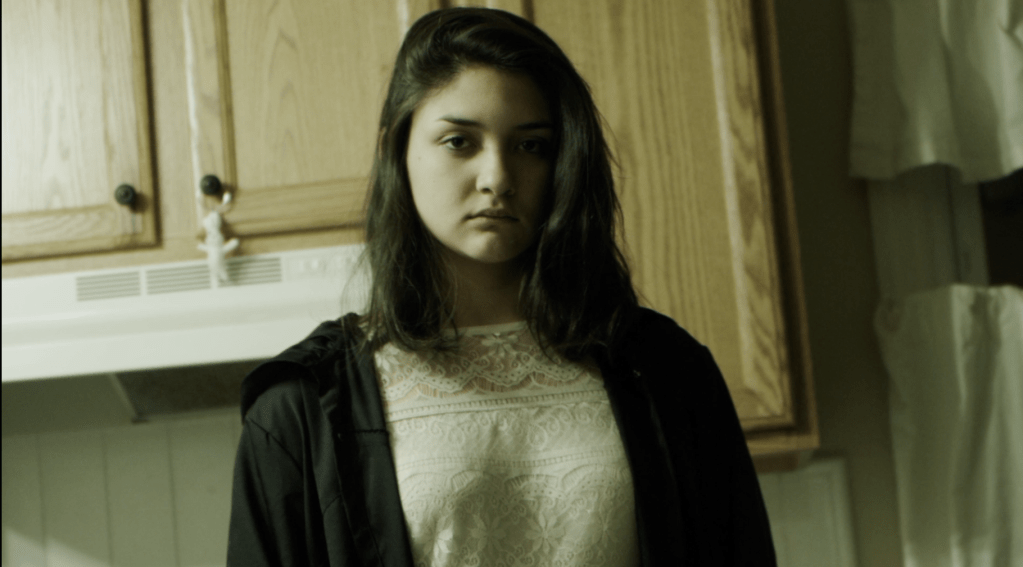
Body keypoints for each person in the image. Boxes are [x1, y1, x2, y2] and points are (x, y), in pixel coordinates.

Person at [227, 7, 776, 567]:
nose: (498, 178)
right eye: (459, 142)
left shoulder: (670, 372)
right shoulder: (298, 412)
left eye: (531, 146)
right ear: (396, 148)